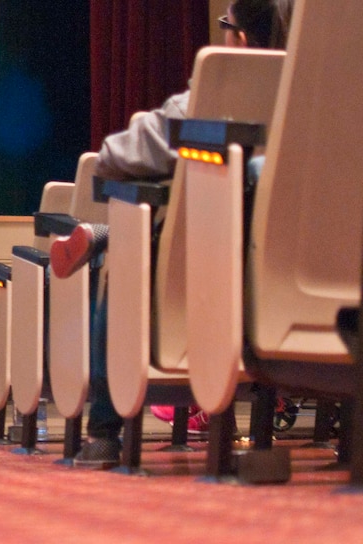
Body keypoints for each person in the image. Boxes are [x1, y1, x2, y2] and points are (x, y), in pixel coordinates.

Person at [67, 0, 294, 468]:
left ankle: (105, 432)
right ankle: (102, 233)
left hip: (197, 280)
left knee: (130, 243)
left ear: (242, 39)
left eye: (226, 25)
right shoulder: (322, 99)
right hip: (288, 291)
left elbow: (113, 157)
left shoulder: (208, 97)